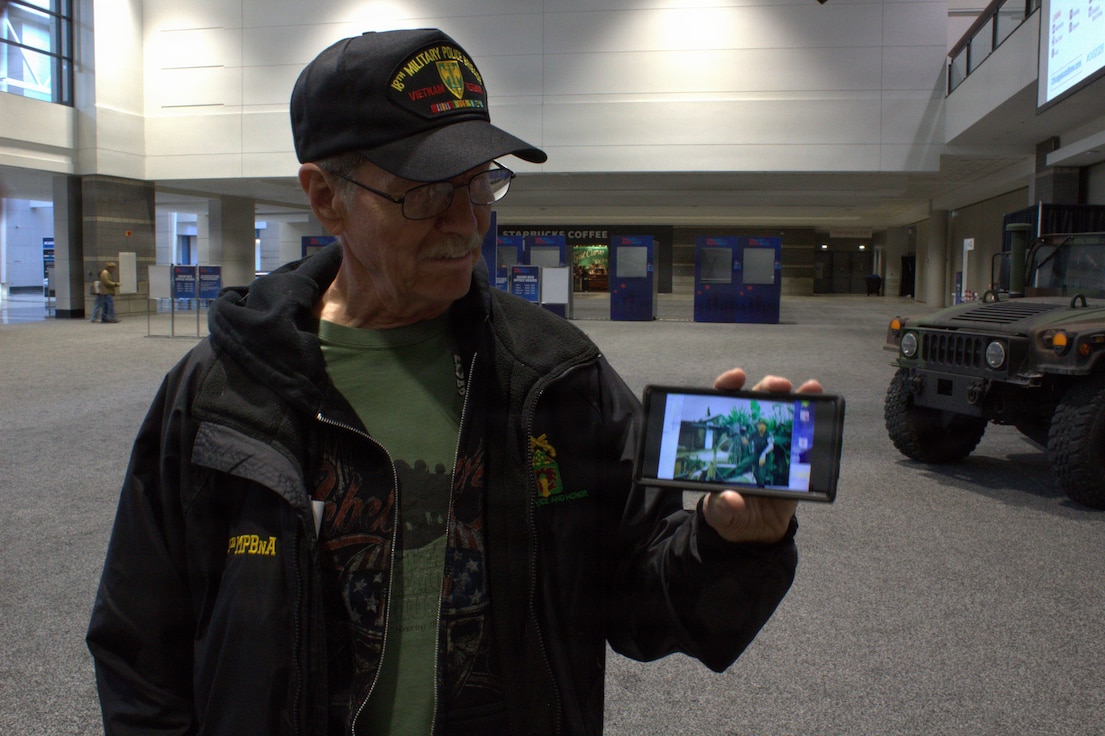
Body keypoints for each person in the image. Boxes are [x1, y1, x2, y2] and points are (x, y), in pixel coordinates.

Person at [86, 28, 822, 736]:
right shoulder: (222, 392)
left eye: (481, 185)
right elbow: (141, 644)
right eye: (427, 192)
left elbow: (645, 605)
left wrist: (733, 544)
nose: (467, 223)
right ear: (324, 196)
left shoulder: (554, 376)